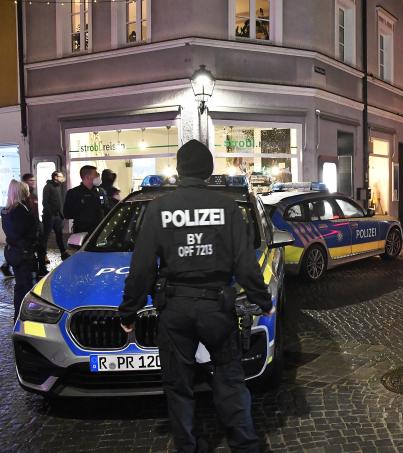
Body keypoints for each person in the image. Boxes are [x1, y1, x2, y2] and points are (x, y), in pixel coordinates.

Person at [119, 139, 269, 453]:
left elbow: (142, 267)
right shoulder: (227, 208)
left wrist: (129, 311)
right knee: (230, 380)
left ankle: (187, 446)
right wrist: (262, 299)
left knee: (178, 386)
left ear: (179, 168)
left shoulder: (159, 208)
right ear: (208, 170)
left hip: (175, 308)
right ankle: (245, 445)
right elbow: (245, 263)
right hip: (217, 307)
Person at [2, 180, 40, 319]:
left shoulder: (8, 210)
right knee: (26, 286)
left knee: (20, 285)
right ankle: (25, 316)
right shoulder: (20, 211)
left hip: (15, 252)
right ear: (23, 192)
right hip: (23, 253)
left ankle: (18, 314)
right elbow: (26, 232)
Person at [63, 165, 108, 234]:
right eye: (96, 174)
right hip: (82, 230)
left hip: (99, 230)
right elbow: (67, 214)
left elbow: (106, 208)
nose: (98, 176)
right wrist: (83, 210)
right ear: (87, 177)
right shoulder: (74, 193)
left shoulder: (101, 191)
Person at [21, 173, 48, 276]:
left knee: (41, 247)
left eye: (34, 180)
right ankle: (34, 269)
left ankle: (42, 269)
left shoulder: (34, 195)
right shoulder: (23, 196)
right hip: (30, 228)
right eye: (31, 181)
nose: (34, 183)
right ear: (25, 183)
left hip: (37, 224)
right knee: (32, 249)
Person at [42, 171, 70, 261]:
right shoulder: (48, 187)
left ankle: (63, 253)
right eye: (60, 176)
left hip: (58, 216)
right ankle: (43, 255)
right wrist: (50, 213)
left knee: (59, 235)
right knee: (46, 236)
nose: (62, 178)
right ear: (55, 177)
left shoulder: (58, 187)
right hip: (50, 216)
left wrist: (61, 214)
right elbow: (45, 202)